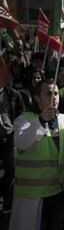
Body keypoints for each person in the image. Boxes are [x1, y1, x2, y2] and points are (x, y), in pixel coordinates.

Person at [9, 79, 64, 230]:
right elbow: (22, 143)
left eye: (56, 93)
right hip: (34, 196)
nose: (54, 97)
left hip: (60, 191)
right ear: (37, 98)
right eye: (48, 93)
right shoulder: (24, 119)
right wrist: (41, 120)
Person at [0, 72, 25, 214]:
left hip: (10, 139)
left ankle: (7, 200)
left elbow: (21, 114)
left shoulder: (14, 95)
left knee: (11, 170)